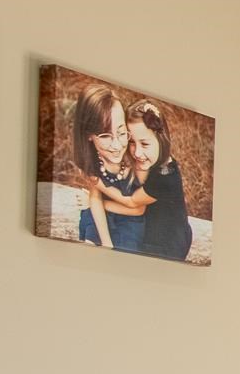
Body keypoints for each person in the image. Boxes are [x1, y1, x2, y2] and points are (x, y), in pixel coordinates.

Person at [67, 85, 141, 251]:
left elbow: (138, 210)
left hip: (132, 220)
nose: (116, 145)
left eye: (122, 133)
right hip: (102, 216)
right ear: (89, 136)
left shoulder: (136, 157)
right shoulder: (93, 162)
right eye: (106, 136)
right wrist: (106, 243)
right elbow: (95, 199)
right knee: (91, 228)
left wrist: (102, 203)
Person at [123, 102, 193, 263]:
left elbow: (133, 202)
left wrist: (97, 200)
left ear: (161, 140)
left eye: (145, 144)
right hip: (160, 232)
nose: (137, 152)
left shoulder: (165, 175)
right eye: (131, 142)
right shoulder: (157, 162)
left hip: (164, 246)